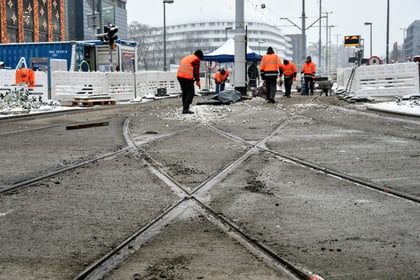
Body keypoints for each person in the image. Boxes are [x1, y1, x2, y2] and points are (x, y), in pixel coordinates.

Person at [177, 49, 203, 114]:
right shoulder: (196, 59)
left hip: (179, 76)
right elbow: (196, 71)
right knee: (190, 92)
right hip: (187, 77)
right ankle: (185, 109)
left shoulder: (187, 57)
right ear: (199, 56)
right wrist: (198, 81)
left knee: (185, 92)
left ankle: (185, 107)